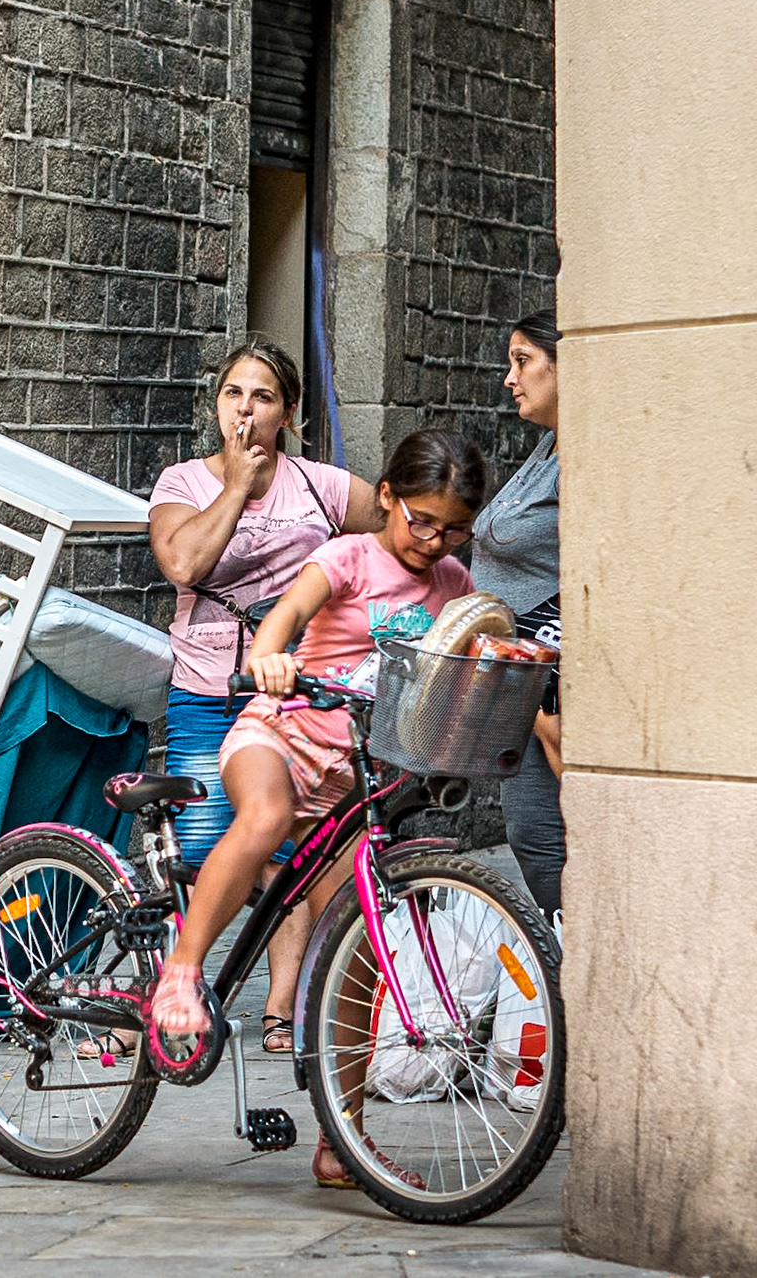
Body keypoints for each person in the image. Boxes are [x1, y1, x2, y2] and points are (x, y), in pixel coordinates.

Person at [150, 429, 489, 1188]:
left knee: (356, 957)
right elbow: (288, 613)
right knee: (263, 821)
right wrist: (269, 657)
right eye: (419, 521)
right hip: (279, 734)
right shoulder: (349, 557)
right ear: (389, 500)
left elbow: (477, 648)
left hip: (350, 781)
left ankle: (343, 1140)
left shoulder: (454, 582)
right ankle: (182, 970)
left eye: (453, 527)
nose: (431, 541)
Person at [143, 337, 386, 1056]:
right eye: (234, 394)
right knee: (203, 848)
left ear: (287, 413)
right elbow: (183, 562)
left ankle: (282, 1006)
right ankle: (175, 982)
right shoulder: (183, 483)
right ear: (218, 405)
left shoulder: (323, 487)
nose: (246, 409)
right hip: (207, 688)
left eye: (263, 397)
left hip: (294, 695)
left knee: (291, 845)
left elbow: (396, 538)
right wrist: (237, 489)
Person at [473, 310, 565, 921]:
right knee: (532, 833)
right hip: (521, 675)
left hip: (551, 676)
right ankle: (571, 971)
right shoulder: (549, 445)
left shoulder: (589, 454)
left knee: (555, 833)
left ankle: (589, 971)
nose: (511, 377)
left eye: (523, 360)